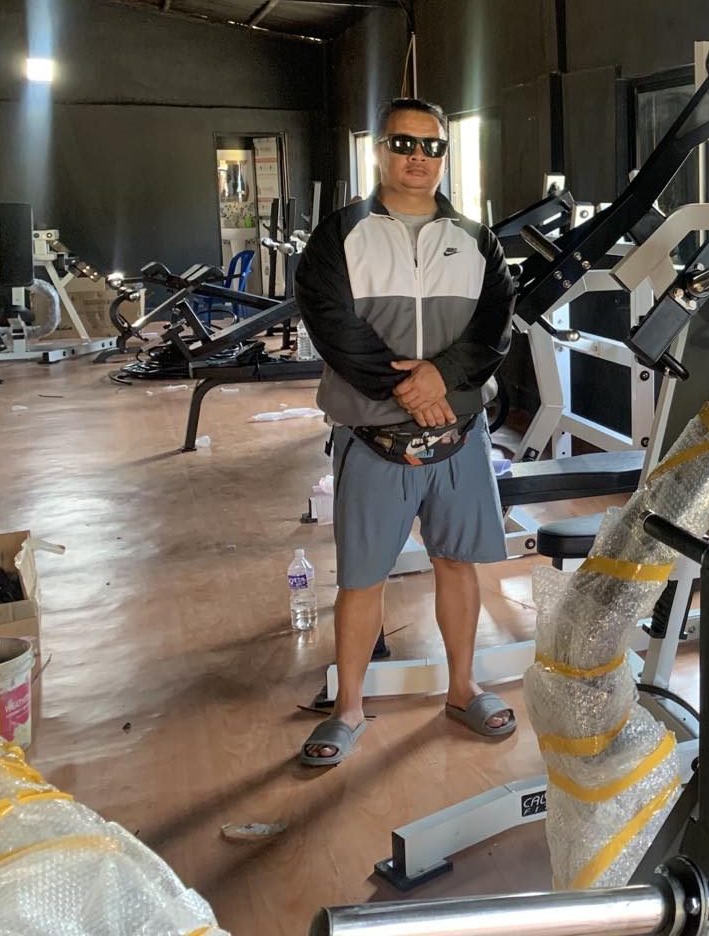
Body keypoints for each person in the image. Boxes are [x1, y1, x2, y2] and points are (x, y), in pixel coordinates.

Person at [294, 97, 516, 766]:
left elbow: (494, 329)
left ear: (444, 155)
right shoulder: (340, 236)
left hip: (459, 434)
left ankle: (462, 687)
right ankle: (348, 708)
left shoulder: (477, 241)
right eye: (404, 143)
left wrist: (441, 378)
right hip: (372, 435)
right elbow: (332, 325)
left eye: (432, 145)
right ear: (380, 150)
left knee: (456, 562)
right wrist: (407, 390)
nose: (418, 157)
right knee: (363, 578)